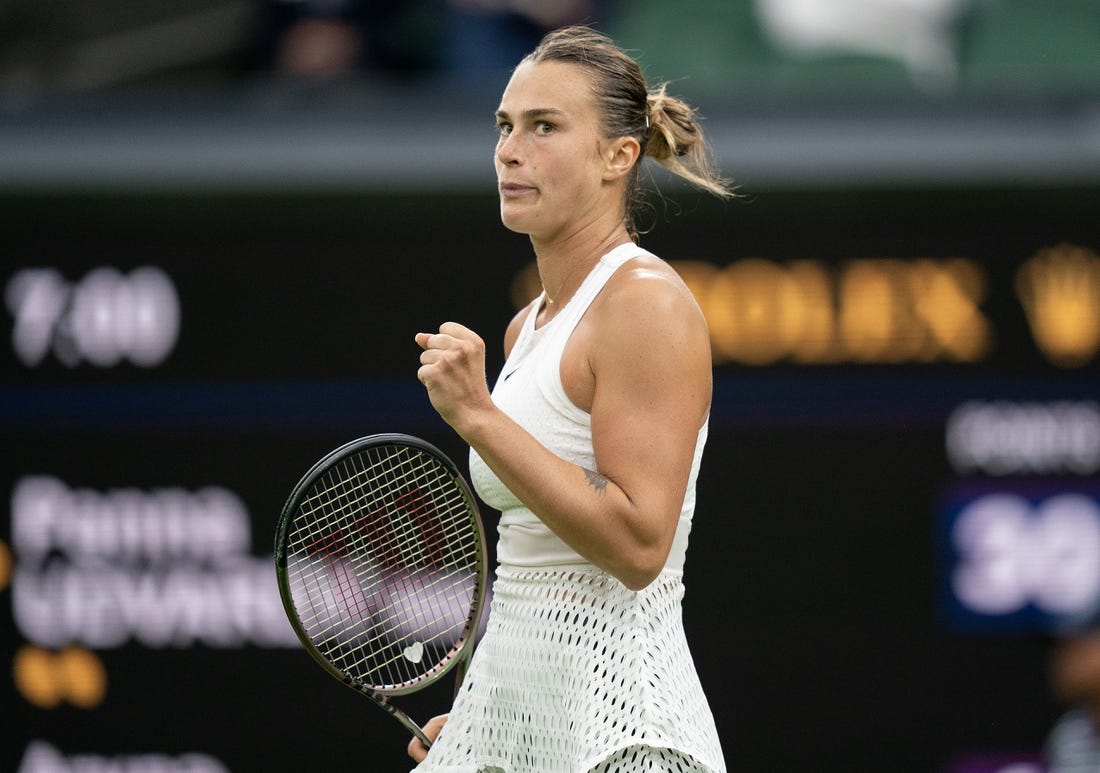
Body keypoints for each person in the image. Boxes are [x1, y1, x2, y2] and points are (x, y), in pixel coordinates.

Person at [411, 25, 732, 772]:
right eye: (504, 125)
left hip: (629, 738)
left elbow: (637, 543)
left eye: (544, 126)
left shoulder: (645, 303)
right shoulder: (530, 323)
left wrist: (480, 417)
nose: (509, 149)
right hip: (524, 724)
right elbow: (536, 568)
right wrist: (492, 716)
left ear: (619, 156)